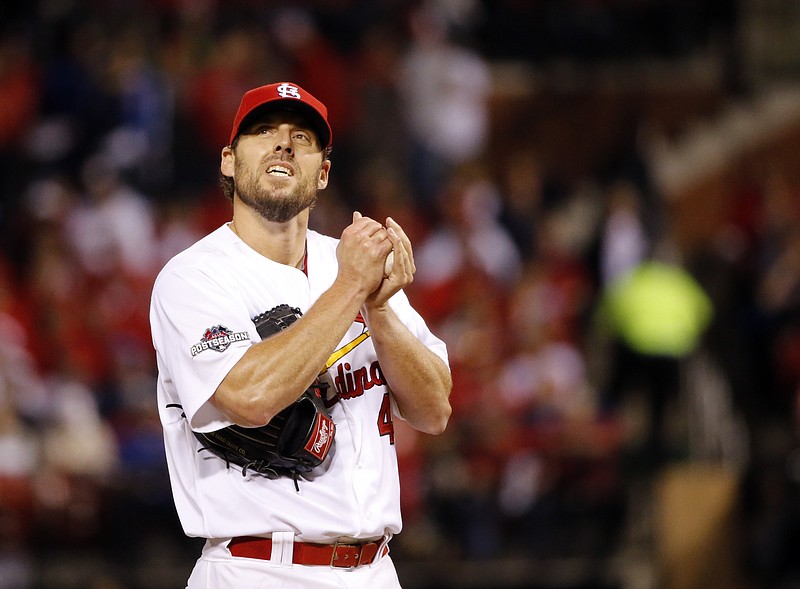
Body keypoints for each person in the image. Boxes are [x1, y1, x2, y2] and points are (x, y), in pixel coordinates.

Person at [149, 81, 452, 588]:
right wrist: (353, 287)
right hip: (257, 567)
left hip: (375, 571)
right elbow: (249, 395)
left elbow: (435, 409)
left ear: (323, 173)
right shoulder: (194, 276)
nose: (283, 143)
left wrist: (377, 308)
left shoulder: (354, 262)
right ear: (228, 161)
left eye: (302, 138)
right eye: (263, 131)